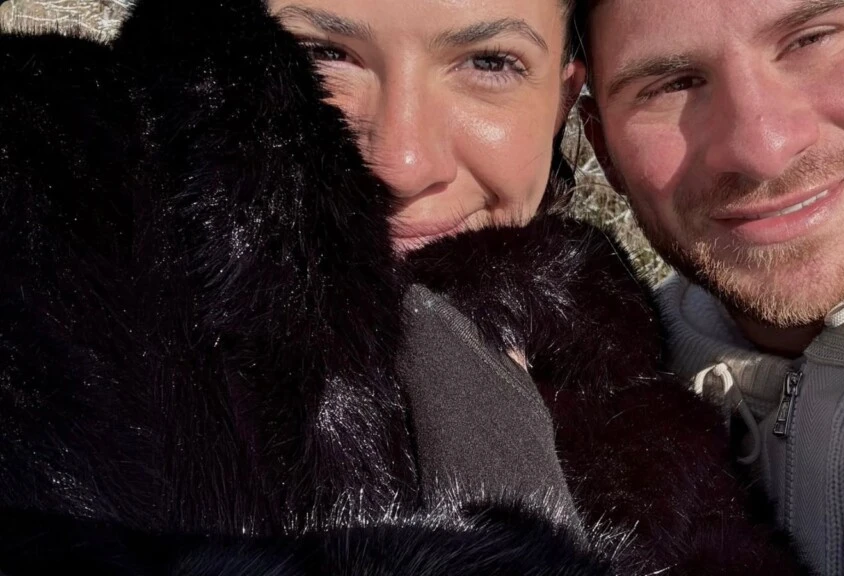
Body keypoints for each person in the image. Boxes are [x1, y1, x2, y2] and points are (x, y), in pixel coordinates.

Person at [0, 0, 801, 573]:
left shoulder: (630, 363)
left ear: (563, 100)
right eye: (322, 54)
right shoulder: (56, 198)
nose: (402, 163)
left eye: (488, 63)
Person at [574, 0, 844, 574]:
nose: (762, 150)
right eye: (672, 85)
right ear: (604, 149)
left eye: (811, 39)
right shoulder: (580, 431)